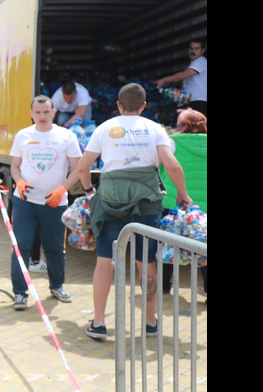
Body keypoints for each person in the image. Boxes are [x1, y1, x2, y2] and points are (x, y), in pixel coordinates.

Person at [77, 83, 191, 341]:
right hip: (145, 201)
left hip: (109, 201)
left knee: (105, 261)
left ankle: (99, 323)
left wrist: (88, 192)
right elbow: (171, 166)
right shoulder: (154, 129)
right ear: (144, 105)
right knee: (146, 261)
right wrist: (182, 194)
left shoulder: (104, 128)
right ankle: (150, 323)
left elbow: (83, 167)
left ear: (118, 105)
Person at [9, 95, 83, 310]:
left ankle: (57, 286)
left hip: (54, 203)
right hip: (25, 201)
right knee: (21, 246)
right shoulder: (23, 135)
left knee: (54, 248)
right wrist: (19, 182)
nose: (42, 116)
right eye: (38, 112)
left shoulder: (66, 136)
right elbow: (15, 166)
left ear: (54, 112)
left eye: (46, 112)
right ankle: (20, 293)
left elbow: (77, 169)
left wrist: (63, 190)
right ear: (31, 113)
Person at [159, 108, 208, 296]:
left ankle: (164, 287)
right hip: (204, 207)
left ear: (180, 126)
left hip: (174, 204)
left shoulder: (171, 143)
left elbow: (160, 166)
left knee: (168, 245)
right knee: (205, 248)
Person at [154, 39, 208, 116]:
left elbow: (185, 74)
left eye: (196, 48)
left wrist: (164, 80)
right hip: (190, 101)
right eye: (191, 48)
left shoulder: (200, 61)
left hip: (197, 102)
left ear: (203, 51)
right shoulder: (195, 64)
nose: (193, 51)